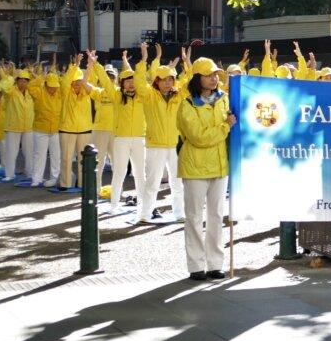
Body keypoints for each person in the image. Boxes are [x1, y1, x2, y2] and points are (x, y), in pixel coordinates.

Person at [177, 57, 236, 280]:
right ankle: (195, 265)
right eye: (209, 75)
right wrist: (225, 127)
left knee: (216, 216)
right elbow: (199, 137)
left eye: (215, 75)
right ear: (197, 78)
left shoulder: (225, 100)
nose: (214, 79)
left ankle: (215, 264)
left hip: (220, 167)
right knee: (193, 217)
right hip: (195, 167)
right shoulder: (187, 105)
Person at [138, 42, 186, 223]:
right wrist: (144, 59)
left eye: (171, 79)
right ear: (157, 80)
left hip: (175, 145)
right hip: (155, 145)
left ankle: (179, 213)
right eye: (165, 79)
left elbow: (189, 83)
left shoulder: (178, 95)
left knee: (177, 183)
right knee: (152, 183)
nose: (168, 82)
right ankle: (144, 214)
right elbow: (139, 82)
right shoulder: (149, 95)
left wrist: (187, 64)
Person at [98, 52, 148, 211]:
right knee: (119, 173)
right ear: (122, 83)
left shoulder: (143, 96)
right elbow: (106, 82)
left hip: (140, 139)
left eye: (133, 81)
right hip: (121, 139)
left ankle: (143, 205)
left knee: (140, 174)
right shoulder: (117, 96)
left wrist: (144, 59)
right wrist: (96, 65)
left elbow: (143, 76)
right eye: (128, 81)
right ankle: (113, 205)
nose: (131, 84)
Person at [58, 54, 104, 190]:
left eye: (80, 81)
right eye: (75, 81)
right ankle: (65, 184)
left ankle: (82, 183)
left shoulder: (87, 93)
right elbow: (65, 81)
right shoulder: (66, 92)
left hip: (85, 129)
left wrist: (91, 64)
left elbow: (93, 79)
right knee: (66, 158)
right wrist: (76, 65)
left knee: (84, 160)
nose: (78, 84)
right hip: (67, 129)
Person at [89, 63, 119, 194]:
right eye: (107, 76)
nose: (109, 78)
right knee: (98, 162)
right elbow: (87, 84)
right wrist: (91, 65)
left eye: (111, 76)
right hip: (99, 130)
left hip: (116, 131)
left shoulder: (118, 93)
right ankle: (96, 190)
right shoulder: (98, 92)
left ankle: (117, 190)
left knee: (117, 163)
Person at [3, 68, 35, 183]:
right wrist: (12, 77)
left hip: (28, 126)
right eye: (20, 80)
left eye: (25, 81)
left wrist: (34, 74)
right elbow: (5, 89)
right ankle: (9, 174)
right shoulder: (11, 92)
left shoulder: (30, 92)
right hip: (13, 126)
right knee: (11, 151)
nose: (23, 83)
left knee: (29, 151)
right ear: (17, 81)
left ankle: (30, 172)